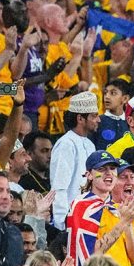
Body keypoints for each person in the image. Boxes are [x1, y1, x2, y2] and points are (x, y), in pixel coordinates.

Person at [50, 92, 98, 228]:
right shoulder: (66, 144)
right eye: (94, 116)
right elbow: (59, 188)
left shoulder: (90, 144)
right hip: (69, 220)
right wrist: (61, 224)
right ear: (80, 118)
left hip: (87, 216)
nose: (98, 120)